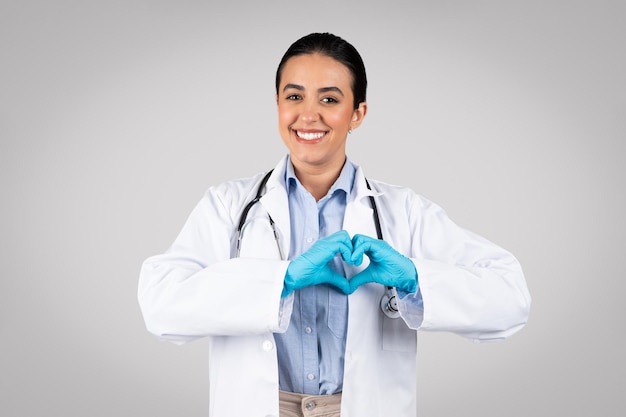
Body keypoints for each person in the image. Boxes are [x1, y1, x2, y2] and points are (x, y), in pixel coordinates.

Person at [138, 32, 531, 417]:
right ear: (277, 104)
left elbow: (510, 299)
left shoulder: (403, 212)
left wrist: (414, 280)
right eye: (294, 97)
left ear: (357, 113)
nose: (308, 115)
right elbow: (160, 305)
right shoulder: (228, 206)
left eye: (329, 99)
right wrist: (282, 279)